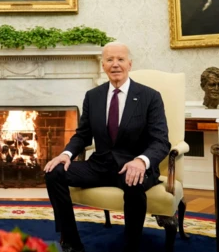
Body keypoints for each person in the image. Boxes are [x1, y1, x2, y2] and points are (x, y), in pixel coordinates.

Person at [44, 42, 170, 252]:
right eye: (110, 60)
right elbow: (83, 134)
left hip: (132, 165)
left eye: (120, 59)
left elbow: (161, 140)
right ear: (103, 65)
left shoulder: (150, 96)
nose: (115, 65)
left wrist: (141, 161)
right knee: (54, 172)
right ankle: (71, 240)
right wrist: (66, 154)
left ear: (129, 64)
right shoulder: (93, 96)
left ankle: (132, 245)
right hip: (100, 165)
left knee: (134, 181)